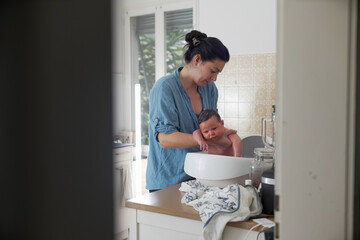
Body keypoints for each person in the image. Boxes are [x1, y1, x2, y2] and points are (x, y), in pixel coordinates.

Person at [146, 30, 232, 192]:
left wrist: (223, 133)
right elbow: (165, 139)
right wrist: (205, 139)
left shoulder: (210, 90)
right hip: (167, 182)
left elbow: (210, 127)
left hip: (198, 177)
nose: (214, 78)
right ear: (197, 60)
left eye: (218, 73)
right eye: (213, 71)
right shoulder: (165, 88)